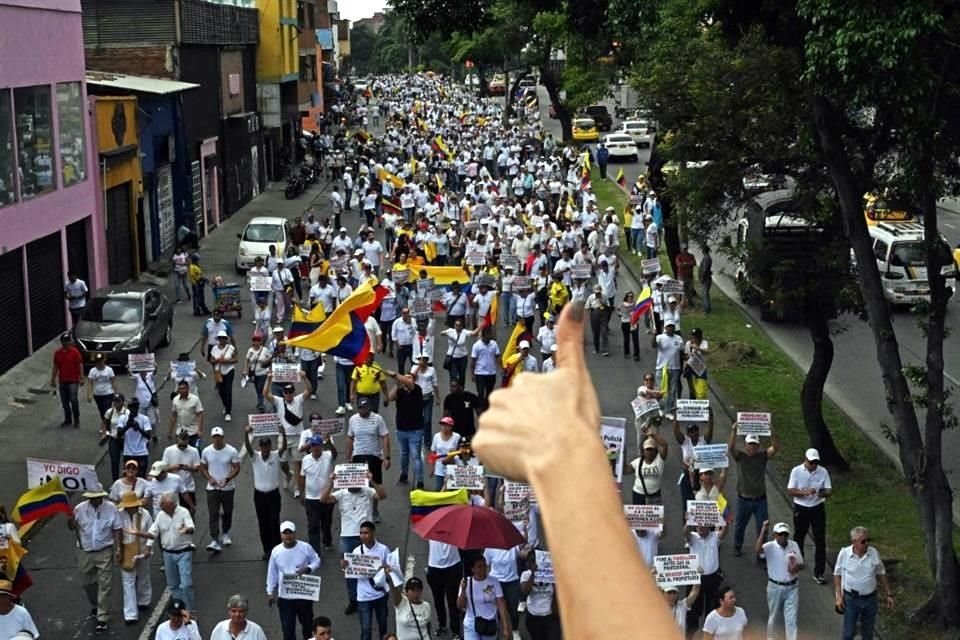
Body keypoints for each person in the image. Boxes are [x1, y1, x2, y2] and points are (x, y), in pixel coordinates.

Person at [321, 470, 386, 615]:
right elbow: (323, 499)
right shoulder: (341, 493)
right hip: (347, 537)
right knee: (350, 572)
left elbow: (382, 495)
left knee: (371, 567)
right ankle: (353, 600)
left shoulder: (368, 491)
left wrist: (373, 480)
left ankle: (373, 594)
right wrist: (332, 482)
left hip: (366, 536)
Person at [68, 485, 122, 633]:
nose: (95, 500)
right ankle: (95, 604)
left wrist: (118, 548)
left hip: (104, 551)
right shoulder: (79, 509)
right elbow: (71, 527)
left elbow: (117, 529)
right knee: (87, 582)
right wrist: (70, 520)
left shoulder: (111, 508)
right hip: (84, 551)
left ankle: (102, 617)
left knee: (105, 584)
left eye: (98, 497)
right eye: (92, 498)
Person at [834, 526, 895, 640]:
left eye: (868, 540)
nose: (867, 543)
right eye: (863, 541)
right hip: (851, 599)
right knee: (849, 633)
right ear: (854, 542)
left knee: (868, 634)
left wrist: (889, 594)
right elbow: (837, 574)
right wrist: (838, 597)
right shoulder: (844, 554)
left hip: (870, 600)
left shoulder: (874, 553)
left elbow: (881, 572)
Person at [727, 423, 779, 558]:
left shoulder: (763, 456)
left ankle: (761, 551)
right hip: (743, 499)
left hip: (760, 499)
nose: (752, 447)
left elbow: (775, 447)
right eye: (750, 444)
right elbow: (731, 448)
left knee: (762, 527)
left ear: (758, 446)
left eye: (754, 445)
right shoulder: (740, 457)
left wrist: (772, 431)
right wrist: (733, 431)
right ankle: (737, 546)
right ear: (745, 445)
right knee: (740, 526)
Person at [267, 521, 322, 640]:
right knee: (287, 629)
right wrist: (270, 592)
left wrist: (308, 569)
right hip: (285, 597)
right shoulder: (276, 551)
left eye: (290, 533)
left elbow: (317, 560)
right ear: (281, 535)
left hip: (303, 594)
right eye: (285, 533)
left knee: (308, 626)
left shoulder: (305, 547)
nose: (288, 536)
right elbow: (272, 573)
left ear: (295, 533)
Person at [241, 425, 288, 559]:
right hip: (260, 496)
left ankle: (277, 549)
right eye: (263, 446)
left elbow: (284, 448)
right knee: (263, 523)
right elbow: (249, 448)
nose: (265, 448)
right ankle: (267, 550)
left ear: (270, 446)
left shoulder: (275, 455)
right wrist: (246, 434)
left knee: (274, 521)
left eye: (267, 446)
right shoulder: (255, 457)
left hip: (273, 495)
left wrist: (283, 434)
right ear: (260, 447)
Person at [145, 492, 196, 613]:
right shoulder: (160, 515)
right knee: (173, 585)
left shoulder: (183, 512)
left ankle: (190, 611)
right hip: (167, 554)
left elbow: (191, 527)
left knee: (186, 584)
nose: (162, 507)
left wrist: (186, 530)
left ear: (173, 505)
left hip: (184, 552)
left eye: (165, 505)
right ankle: (179, 610)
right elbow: (153, 531)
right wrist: (148, 547)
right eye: (161, 505)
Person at [787, 448, 832, 584]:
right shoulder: (797, 471)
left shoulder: (822, 471)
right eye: (811, 462)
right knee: (799, 536)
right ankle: (798, 561)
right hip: (801, 507)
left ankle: (819, 572)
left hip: (817, 507)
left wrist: (821, 493)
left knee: (820, 539)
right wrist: (804, 493)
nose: (813, 465)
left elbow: (829, 490)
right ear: (805, 460)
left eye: (815, 463)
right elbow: (790, 490)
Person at [264, 372, 313, 497]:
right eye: (286, 393)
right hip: (284, 437)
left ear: (294, 393)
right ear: (283, 394)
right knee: (282, 462)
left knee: (297, 462)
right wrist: (269, 379)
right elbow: (265, 394)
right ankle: (287, 474)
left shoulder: (299, 400)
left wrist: (304, 377)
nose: (289, 395)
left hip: (298, 436)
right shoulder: (279, 401)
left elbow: (309, 390)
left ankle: (297, 487)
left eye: (291, 392)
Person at [343, 521, 391, 640]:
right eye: (361, 533)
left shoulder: (383, 550)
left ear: (373, 533)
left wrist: (387, 569)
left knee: (383, 626)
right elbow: (351, 572)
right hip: (364, 597)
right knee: (365, 629)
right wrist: (345, 566)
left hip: (380, 595)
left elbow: (392, 570)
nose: (363, 536)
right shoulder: (356, 552)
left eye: (366, 533)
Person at [346, 397, 391, 519]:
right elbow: (350, 437)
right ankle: (358, 509)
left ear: (369, 407)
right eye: (360, 407)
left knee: (374, 484)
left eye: (364, 407)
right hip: (358, 456)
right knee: (357, 485)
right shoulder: (353, 420)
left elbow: (385, 436)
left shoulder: (377, 419)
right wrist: (348, 457)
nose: (362, 410)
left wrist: (387, 457)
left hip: (374, 456)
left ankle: (374, 510)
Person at [757, 521, 802, 640]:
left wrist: (795, 568)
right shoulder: (769, 546)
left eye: (785, 534)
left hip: (792, 587)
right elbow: (758, 551)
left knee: (791, 619)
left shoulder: (794, 545)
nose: (783, 537)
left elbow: (801, 564)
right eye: (780, 534)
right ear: (775, 535)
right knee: (774, 617)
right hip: (775, 587)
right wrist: (763, 530)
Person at [200, 426, 241, 552]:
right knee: (213, 513)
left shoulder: (231, 451)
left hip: (227, 488)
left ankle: (225, 533)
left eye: (219, 437)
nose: (216, 439)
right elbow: (203, 467)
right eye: (214, 437)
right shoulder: (207, 451)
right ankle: (214, 539)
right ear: (212, 438)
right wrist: (210, 478)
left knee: (227, 512)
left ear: (223, 437)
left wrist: (227, 479)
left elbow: (236, 467)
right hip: (212, 488)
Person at [116, 491, 153, 625]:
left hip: (142, 549)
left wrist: (148, 547)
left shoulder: (145, 515)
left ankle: (144, 600)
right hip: (127, 550)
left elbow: (152, 533)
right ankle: (130, 614)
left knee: (144, 575)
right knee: (128, 581)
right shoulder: (119, 514)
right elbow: (116, 532)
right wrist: (118, 548)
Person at [457, 555, 511, 640]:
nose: (483, 568)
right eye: (479, 566)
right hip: (471, 624)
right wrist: (463, 590)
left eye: (484, 565)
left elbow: (501, 604)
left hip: (490, 624)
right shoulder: (466, 582)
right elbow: (460, 606)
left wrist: (505, 627)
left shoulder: (494, 582)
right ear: (472, 569)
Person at [299, 434, 337, 555]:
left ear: (321, 446)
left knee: (326, 523)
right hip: (311, 498)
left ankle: (327, 541)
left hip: (327, 497)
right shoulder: (305, 460)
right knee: (313, 524)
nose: (315, 448)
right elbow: (302, 477)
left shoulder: (328, 456)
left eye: (318, 446)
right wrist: (301, 492)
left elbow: (335, 453)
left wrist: (329, 442)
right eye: (313, 445)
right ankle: (314, 550)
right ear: (310, 447)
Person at [390, 374, 425, 487]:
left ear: (413, 380)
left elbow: (409, 384)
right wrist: (396, 385)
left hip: (415, 430)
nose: (406, 379)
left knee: (416, 456)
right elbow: (390, 397)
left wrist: (396, 376)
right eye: (405, 377)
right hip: (401, 429)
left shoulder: (417, 390)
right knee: (404, 454)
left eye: (409, 377)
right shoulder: (400, 391)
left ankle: (420, 481)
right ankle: (403, 475)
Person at [427, 538, 462, 638]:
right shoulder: (430, 523)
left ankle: (456, 630)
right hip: (434, 566)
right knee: (438, 600)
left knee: (453, 602)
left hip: (453, 565)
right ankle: (442, 625)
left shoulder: (455, 523)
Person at [520, 554, 558, 640]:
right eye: (532, 562)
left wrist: (552, 578)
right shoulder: (525, 575)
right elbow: (525, 592)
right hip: (534, 615)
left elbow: (558, 593)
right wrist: (533, 574)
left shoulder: (551, 573)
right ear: (528, 563)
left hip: (550, 615)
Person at [386, 573, 433, 640]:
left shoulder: (426, 606)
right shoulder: (401, 603)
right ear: (406, 592)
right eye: (412, 590)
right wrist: (390, 576)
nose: (416, 593)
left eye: (418, 590)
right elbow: (394, 590)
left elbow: (427, 627)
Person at [51, 332, 83, 428]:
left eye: (67, 341)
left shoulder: (75, 352)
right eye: (64, 342)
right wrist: (53, 379)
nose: (66, 344)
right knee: (65, 402)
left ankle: (76, 419)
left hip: (73, 380)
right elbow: (56, 366)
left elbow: (80, 364)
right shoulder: (58, 353)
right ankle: (68, 419)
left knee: (73, 400)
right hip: (63, 380)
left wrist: (81, 377)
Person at [627, 434, 668, 505]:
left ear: (655, 451)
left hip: (655, 495)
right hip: (638, 494)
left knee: (655, 515)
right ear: (643, 451)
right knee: (639, 516)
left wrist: (653, 434)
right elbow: (625, 470)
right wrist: (622, 455)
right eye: (647, 450)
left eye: (651, 449)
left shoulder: (659, 460)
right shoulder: (637, 462)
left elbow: (665, 445)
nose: (649, 452)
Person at [653, 321, 683, 415]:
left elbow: (682, 352)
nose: (671, 328)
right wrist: (654, 335)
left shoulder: (678, 338)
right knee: (661, 390)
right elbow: (653, 345)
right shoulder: (660, 337)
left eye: (672, 326)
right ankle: (661, 408)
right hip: (662, 368)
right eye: (669, 326)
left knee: (672, 391)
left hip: (675, 368)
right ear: (665, 328)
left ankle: (669, 410)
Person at [209, 330, 238, 422]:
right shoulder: (214, 349)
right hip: (219, 372)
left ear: (226, 339)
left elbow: (235, 359)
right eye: (220, 338)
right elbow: (211, 360)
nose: (221, 340)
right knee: (221, 391)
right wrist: (217, 360)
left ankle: (228, 412)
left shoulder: (231, 348)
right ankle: (226, 405)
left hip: (229, 371)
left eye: (223, 338)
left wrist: (227, 361)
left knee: (228, 390)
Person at [470, 325, 501, 403]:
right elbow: (473, 360)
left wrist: (502, 368)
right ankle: (480, 408)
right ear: (484, 335)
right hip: (480, 373)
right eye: (489, 334)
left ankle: (486, 407)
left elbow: (497, 357)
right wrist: (472, 374)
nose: (491, 336)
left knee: (489, 392)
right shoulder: (476, 346)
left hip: (491, 373)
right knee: (480, 393)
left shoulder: (494, 344)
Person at [169, 381, 204, 446]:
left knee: (195, 452)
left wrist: (200, 430)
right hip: (180, 432)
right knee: (180, 453)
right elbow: (174, 415)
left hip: (193, 432)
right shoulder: (175, 400)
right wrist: (170, 431)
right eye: (180, 389)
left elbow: (200, 414)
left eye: (184, 388)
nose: (182, 390)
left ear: (188, 388)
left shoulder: (195, 399)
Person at [86, 355, 117, 425]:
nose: (99, 363)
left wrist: (116, 393)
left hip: (108, 393)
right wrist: (89, 394)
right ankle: (105, 423)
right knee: (101, 410)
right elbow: (90, 383)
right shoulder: (92, 371)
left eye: (101, 361)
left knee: (107, 410)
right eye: (98, 361)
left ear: (104, 360)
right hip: (97, 394)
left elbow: (113, 382)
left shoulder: (109, 370)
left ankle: (106, 426)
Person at [699, 245, 713, 313]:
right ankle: (708, 307)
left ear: (704, 251)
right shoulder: (707, 257)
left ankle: (706, 309)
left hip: (706, 279)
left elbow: (704, 269)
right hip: (707, 278)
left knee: (705, 294)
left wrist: (702, 278)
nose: (701, 251)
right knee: (706, 293)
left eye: (702, 250)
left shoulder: (706, 258)